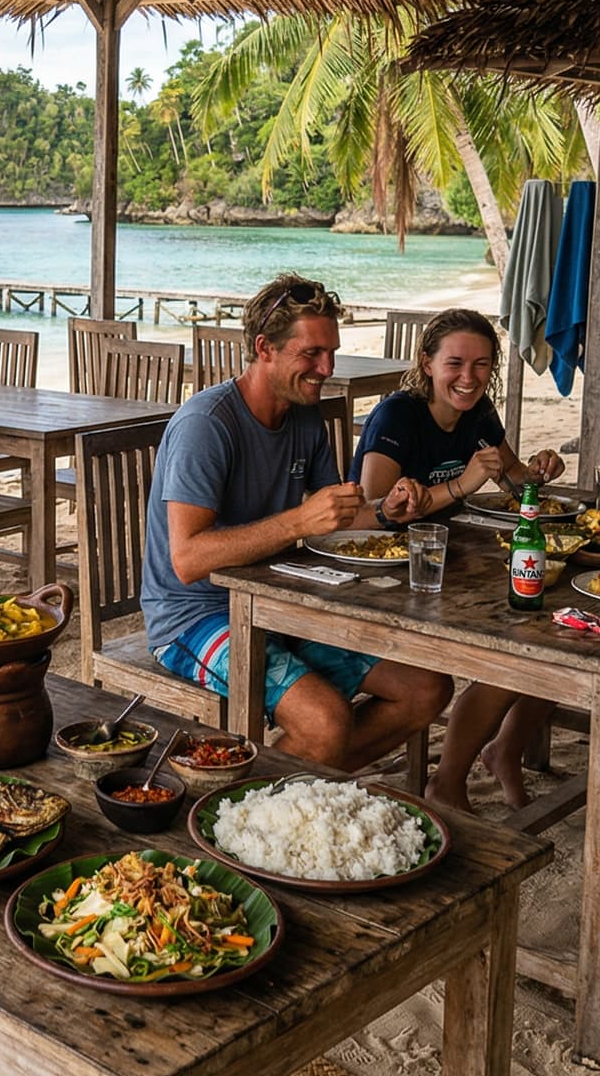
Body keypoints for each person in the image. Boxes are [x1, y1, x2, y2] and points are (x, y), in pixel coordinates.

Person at [142, 273, 452, 770]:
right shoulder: (207, 425)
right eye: (312, 354)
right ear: (264, 348)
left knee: (426, 688)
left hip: (281, 602)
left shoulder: (305, 413)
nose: (326, 367)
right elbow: (187, 559)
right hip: (193, 617)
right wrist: (297, 523)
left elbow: (335, 516)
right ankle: (243, 806)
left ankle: (304, 778)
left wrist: (385, 512)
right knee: (326, 720)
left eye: (331, 351)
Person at [351, 308, 567, 809]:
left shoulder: (480, 413)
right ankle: (448, 779)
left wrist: (538, 471)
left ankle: (506, 750)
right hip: (389, 574)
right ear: (427, 364)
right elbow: (375, 507)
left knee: (554, 630)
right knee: (515, 648)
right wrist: (463, 484)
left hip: (454, 563)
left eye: (482, 365)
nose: (468, 378)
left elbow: (514, 483)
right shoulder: (398, 415)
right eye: (455, 364)